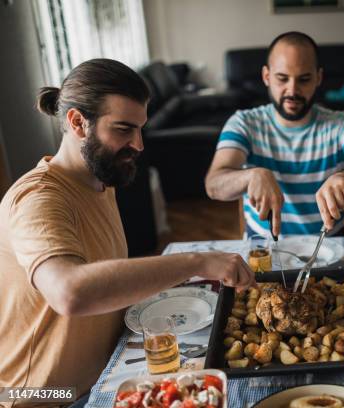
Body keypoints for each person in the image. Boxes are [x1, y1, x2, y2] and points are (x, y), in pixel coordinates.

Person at [0, 59, 255, 405]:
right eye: (123, 129)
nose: (138, 144)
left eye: (139, 129)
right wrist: (196, 262)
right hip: (44, 397)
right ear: (77, 123)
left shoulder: (99, 181)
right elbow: (70, 292)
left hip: (105, 375)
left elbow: (105, 275)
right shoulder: (39, 199)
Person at [205, 31, 344, 237]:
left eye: (304, 79)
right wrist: (250, 176)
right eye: (282, 79)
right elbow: (213, 184)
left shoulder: (341, 124)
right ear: (266, 77)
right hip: (263, 250)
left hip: (329, 247)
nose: (292, 90)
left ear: (318, 78)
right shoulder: (243, 123)